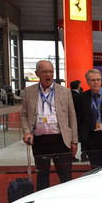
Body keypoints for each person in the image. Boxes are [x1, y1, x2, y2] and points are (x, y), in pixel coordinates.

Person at [20, 60, 78, 190]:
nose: (48, 75)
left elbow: (72, 117)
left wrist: (74, 141)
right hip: (39, 142)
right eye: (45, 72)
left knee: (66, 176)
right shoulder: (28, 92)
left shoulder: (65, 91)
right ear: (37, 73)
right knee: (42, 177)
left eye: (51, 72)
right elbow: (23, 115)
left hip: (61, 140)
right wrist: (27, 132)